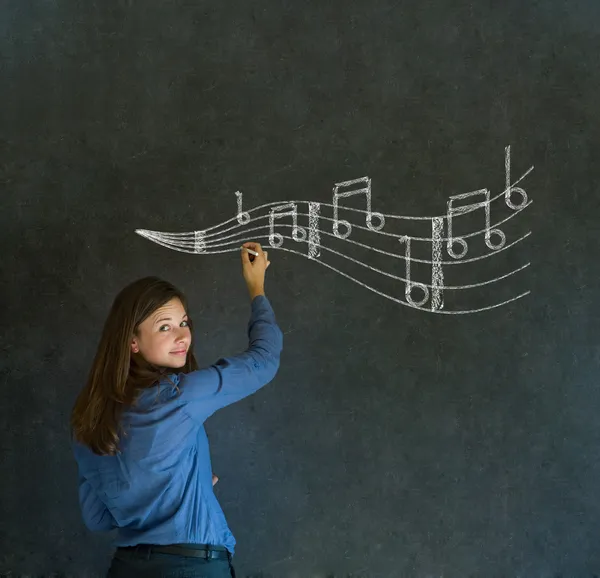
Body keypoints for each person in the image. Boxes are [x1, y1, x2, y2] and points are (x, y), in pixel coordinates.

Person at [70, 242, 283, 578]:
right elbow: (265, 360)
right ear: (133, 341)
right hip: (192, 567)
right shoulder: (180, 396)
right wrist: (256, 287)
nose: (183, 335)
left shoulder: (88, 418)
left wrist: (177, 489)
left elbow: (97, 518)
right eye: (164, 326)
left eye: (184, 322)